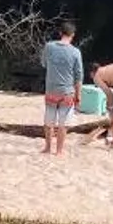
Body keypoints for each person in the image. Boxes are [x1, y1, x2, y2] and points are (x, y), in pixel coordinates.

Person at [39, 20, 84, 156]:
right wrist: (79, 94)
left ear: (60, 33)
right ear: (73, 35)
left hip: (51, 90)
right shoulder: (75, 52)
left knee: (49, 121)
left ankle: (47, 147)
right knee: (63, 124)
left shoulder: (49, 47)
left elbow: (44, 63)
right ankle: (59, 151)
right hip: (67, 92)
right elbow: (79, 75)